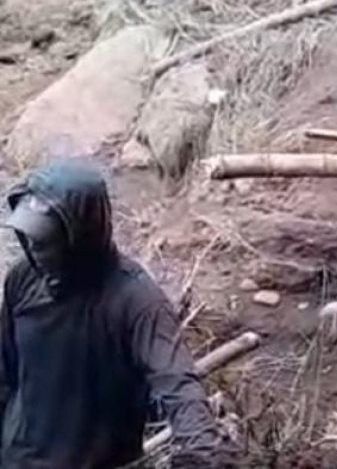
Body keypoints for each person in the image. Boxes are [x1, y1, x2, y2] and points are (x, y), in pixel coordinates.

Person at [0, 159, 226, 468]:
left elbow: (179, 388)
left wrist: (200, 456)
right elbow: (5, 373)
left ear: (79, 236)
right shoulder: (23, 279)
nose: (33, 249)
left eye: (45, 242)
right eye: (29, 239)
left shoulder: (137, 303)